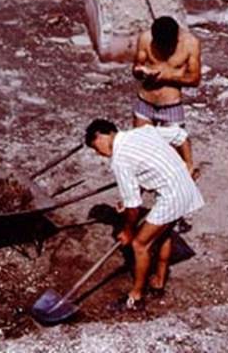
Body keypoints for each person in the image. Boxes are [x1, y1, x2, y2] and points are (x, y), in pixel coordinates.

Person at [85, 118, 204, 310]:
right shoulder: (142, 132)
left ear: (101, 135)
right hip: (185, 188)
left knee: (139, 244)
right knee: (163, 234)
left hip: (172, 197)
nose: (98, 153)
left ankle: (136, 297)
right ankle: (158, 282)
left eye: (95, 147)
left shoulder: (120, 159)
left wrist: (128, 230)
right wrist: (188, 164)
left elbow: (134, 207)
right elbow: (180, 136)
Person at [132, 16, 202, 177]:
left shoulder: (190, 44)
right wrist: (141, 72)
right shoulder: (145, 39)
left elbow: (195, 79)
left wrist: (166, 77)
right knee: (141, 145)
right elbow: (136, 68)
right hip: (145, 102)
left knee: (179, 143)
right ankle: (144, 182)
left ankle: (188, 172)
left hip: (171, 104)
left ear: (176, 39)